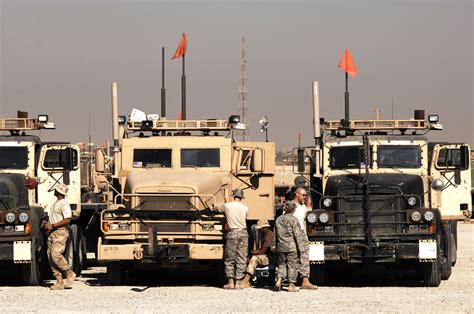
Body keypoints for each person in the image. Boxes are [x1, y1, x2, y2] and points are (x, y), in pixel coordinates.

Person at [212, 189, 248, 289]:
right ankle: (239, 283)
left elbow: (215, 209)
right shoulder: (245, 208)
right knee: (241, 257)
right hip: (243, 232)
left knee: (230, 258)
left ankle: (230, 282)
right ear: (241, 197)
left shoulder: (227, 206)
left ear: (233, 196)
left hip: (232, 232)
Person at [42, 183, 76, 290]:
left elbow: (67, 219)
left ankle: (69, 272)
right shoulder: (56, 203)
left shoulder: (64, 204)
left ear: (59, 192)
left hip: (60, 232)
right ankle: (59, 281)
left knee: (55, 254)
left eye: (56, 190)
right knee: (50, 257)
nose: (54, 191)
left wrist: (53, 226)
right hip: (52, 233)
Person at [273, 200, 307, 292]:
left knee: (282, 264)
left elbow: (275, 234)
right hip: (292, 247)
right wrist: (301, 248)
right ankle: (291, 285)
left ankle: (279, 280)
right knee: (292, 265)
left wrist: (274, 246)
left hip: (280, 246)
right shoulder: (293, 219)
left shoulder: (278, 219)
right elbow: (298, 235)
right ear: (293, 209)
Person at [293, 186, 318, 290]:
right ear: (297, 194)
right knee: (292, 257)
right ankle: (291, 281)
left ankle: (305, 280)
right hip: (293, 234)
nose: (304, 197)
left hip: (302, 234)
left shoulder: (303, 207)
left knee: (304, 257)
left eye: (305, 195)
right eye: (303, 195)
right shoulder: (290, 206)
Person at [240, 219, 274, 288]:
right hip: (269, 255)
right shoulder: (266, 234)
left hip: (272, 258)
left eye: (259, 229)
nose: (258, 231)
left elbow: (262, 252)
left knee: (254, 259)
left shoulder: (269, 236)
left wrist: (251, 254)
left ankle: (246, 280)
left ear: (264, 228)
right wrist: (251, 252)